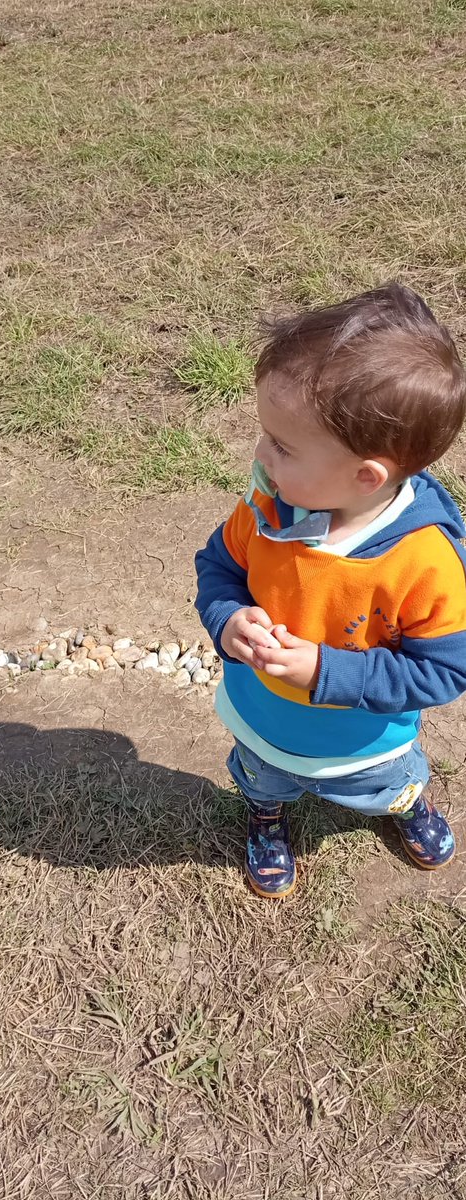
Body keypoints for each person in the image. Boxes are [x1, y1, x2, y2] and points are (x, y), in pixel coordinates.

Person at [195, 283, 466, 898]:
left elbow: (443, 673)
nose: (259, 453)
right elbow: (218, 566)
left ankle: (404, 807)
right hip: (263, 715)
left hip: (365, 743)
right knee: (262, 777)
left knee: (384, 787)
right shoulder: (269, 505)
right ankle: (266, 816)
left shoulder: (424, 562)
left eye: (282, 446)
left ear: (365, 475)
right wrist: (227, 615)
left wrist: (326, 670)